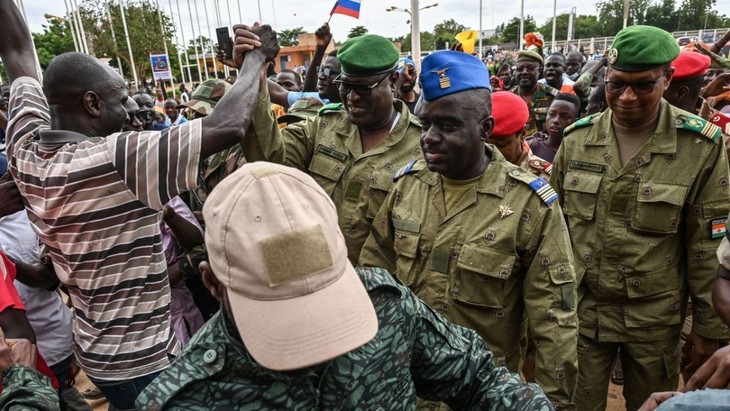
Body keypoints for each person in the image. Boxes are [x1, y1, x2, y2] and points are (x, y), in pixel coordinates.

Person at [0, 0, 280, 404]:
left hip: (97, 353)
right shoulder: (115, 159)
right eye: (120, 98)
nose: (129, 110)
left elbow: (17, 54)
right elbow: (229, 125)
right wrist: (256, 60)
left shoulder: (23, 146)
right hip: (144, 363)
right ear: (92, 104)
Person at [135, 161, 554, 410]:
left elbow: (477, 378)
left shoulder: (387, 305)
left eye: (322, 298)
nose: (313, 339)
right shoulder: (185, 398)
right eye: (280, 314)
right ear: (212, 283)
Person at [358, 50, 578, 410]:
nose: (429, 137)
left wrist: (551, 403)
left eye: (447, 126)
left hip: (481, 393)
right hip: (403, 386)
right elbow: (374, 278)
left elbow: (554, 319)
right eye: (426, 123)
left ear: (486, 129)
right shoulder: (407, 186)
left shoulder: (529, 205)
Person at [550, 25, 730, 411]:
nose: (627, 97)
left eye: (643, 85)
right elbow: (553, 230)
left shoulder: (699, 147)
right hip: (583, 314)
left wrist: (707, 328)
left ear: (667, 80)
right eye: (616, 85)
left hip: (652, 320)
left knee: (653, 406)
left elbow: (706, 245)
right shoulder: (577, 139)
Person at [241, 32, 423, 264]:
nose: (353, 97)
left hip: (382, 295)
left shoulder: (422, 147)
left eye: (364, 88)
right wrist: (252, 72)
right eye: (345, 86)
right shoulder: (322, 126)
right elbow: (272, 163)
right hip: (316, 275)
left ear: (395, 80)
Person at [487, 90, 552, 178]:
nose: (490, 150)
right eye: (484, 144)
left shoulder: (543, 177)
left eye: (501, 144)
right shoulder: (473, 168)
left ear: (522, 134)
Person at [511, 51, 559, 135]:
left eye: (530, 68)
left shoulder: (554, 97)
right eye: (520, 69)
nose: (524, 72)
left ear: (539, 71)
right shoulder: (509, 98)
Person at [528, 93, 581, 163]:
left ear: (576, 121)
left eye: (564, 117)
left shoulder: (579, 154)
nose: (556, 120)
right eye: (552, 114)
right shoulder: (531, 147)